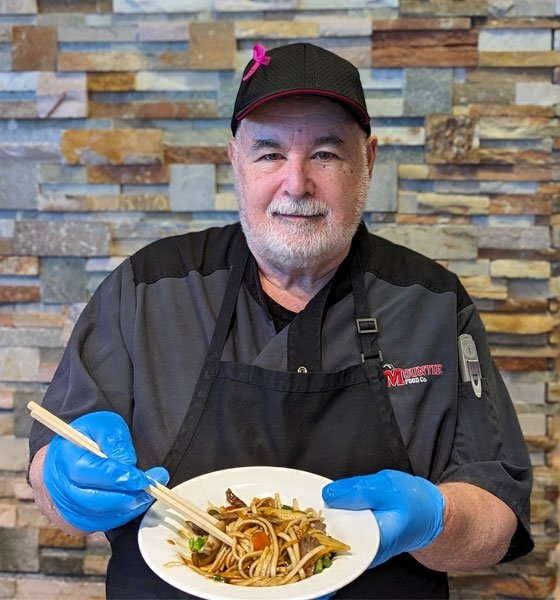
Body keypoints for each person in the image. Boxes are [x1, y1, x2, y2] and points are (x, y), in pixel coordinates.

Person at [28, 42, 533, 599]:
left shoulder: (432, 302)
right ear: (234, 162)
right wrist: (66, 484)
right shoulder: (148, 287)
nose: (296, 184)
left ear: (368, 160)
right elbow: (51, 464)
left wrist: (437, 519)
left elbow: (495, 515)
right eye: (269, 153)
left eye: (325, 154)